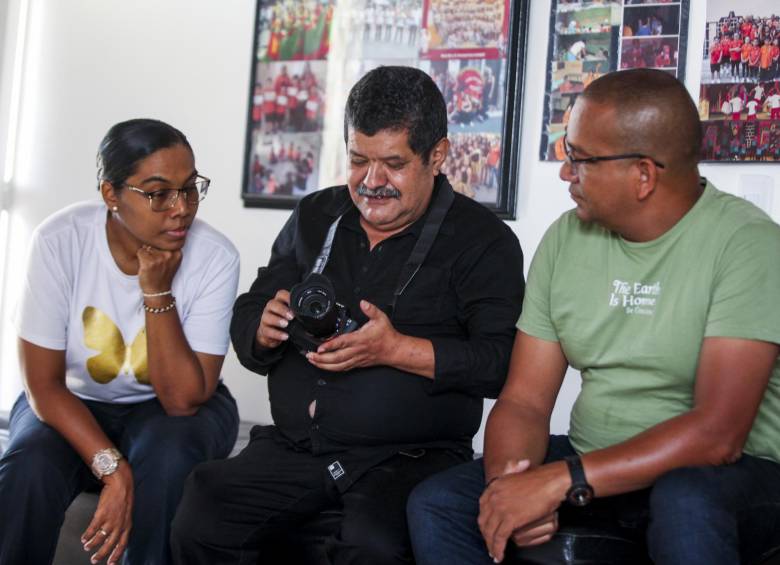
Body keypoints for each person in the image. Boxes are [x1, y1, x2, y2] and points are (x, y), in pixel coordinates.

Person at [407, 69, 780, 565]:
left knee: (685, 501)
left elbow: (717, 436)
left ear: (643, 174)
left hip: (727, 477)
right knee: (439, 504)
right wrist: (510, 487)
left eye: (579, 159)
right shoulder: (566, 239)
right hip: (594, 461)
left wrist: (564, 479)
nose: (565, 173)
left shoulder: (748, 245)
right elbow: (524, 401)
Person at [170, 65, 525, 565]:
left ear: (437, 156)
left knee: (373, 546)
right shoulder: (316, 215)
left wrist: (396, 349)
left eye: (393, 164)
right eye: (358, 160)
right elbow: (251, 308)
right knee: (203, 513)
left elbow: (499, 362)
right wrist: (264, 329)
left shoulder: (484, 242)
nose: (372, 181)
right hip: (296, 449)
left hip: (407, 457)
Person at [0, 119, 240, 565]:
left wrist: (157, 292)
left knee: (167, 461)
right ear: (111, 195)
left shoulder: (215, 257)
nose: (181, 208)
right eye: (157, 193)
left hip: (171, 407)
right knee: (28, 466)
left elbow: (183, 401)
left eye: (190, 188)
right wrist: (113, 469)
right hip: (72, 397)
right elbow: (43, 385)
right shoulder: (59, 241)